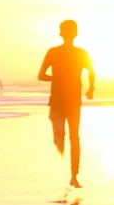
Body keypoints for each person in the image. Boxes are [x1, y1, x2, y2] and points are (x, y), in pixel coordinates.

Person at [38, 19, 95, 188]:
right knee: (73, 138)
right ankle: (74, 176)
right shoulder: (79, 53)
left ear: (61, 33)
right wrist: (91, 88)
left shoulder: (54, 52)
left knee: (71, 137)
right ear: (75, 33)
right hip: (69, 100)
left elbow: (41, 76)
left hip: (64, 100)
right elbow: (92, 72)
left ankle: (73, 176)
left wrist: (56, 78)